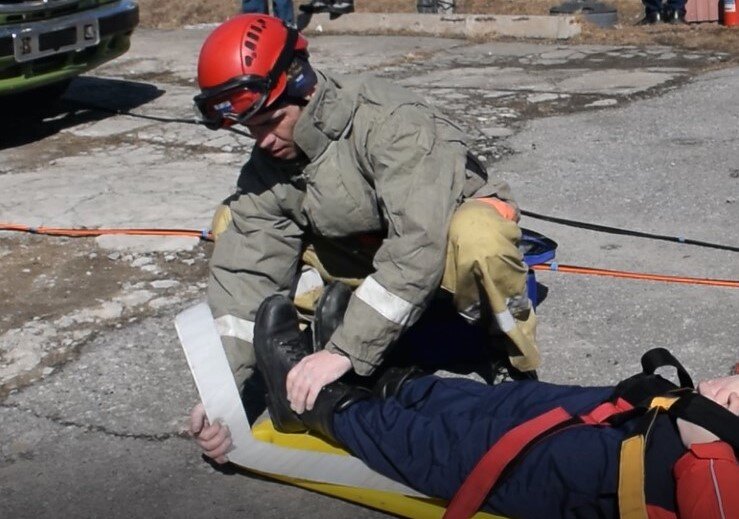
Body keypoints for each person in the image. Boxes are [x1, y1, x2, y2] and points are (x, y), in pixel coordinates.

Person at [192, 13, 539, 424]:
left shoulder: (390, 121)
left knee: (481, 237)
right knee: (231, 220)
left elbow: (417, 246)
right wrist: (222, 394)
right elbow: (247, 271)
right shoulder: (270, 161)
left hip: (436, 248)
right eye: (250, 129)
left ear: (302, 86)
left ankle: (508, 359)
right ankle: (318, 347)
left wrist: (345, 352)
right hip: (367, 254)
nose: (261, 141)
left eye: (269, 123)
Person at [191, 295, 739, 519]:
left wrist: (711, 435)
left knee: (465, 450)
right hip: (660, 418)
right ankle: (389, 384)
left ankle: (320, 406)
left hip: (649, 478)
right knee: (507, 404)